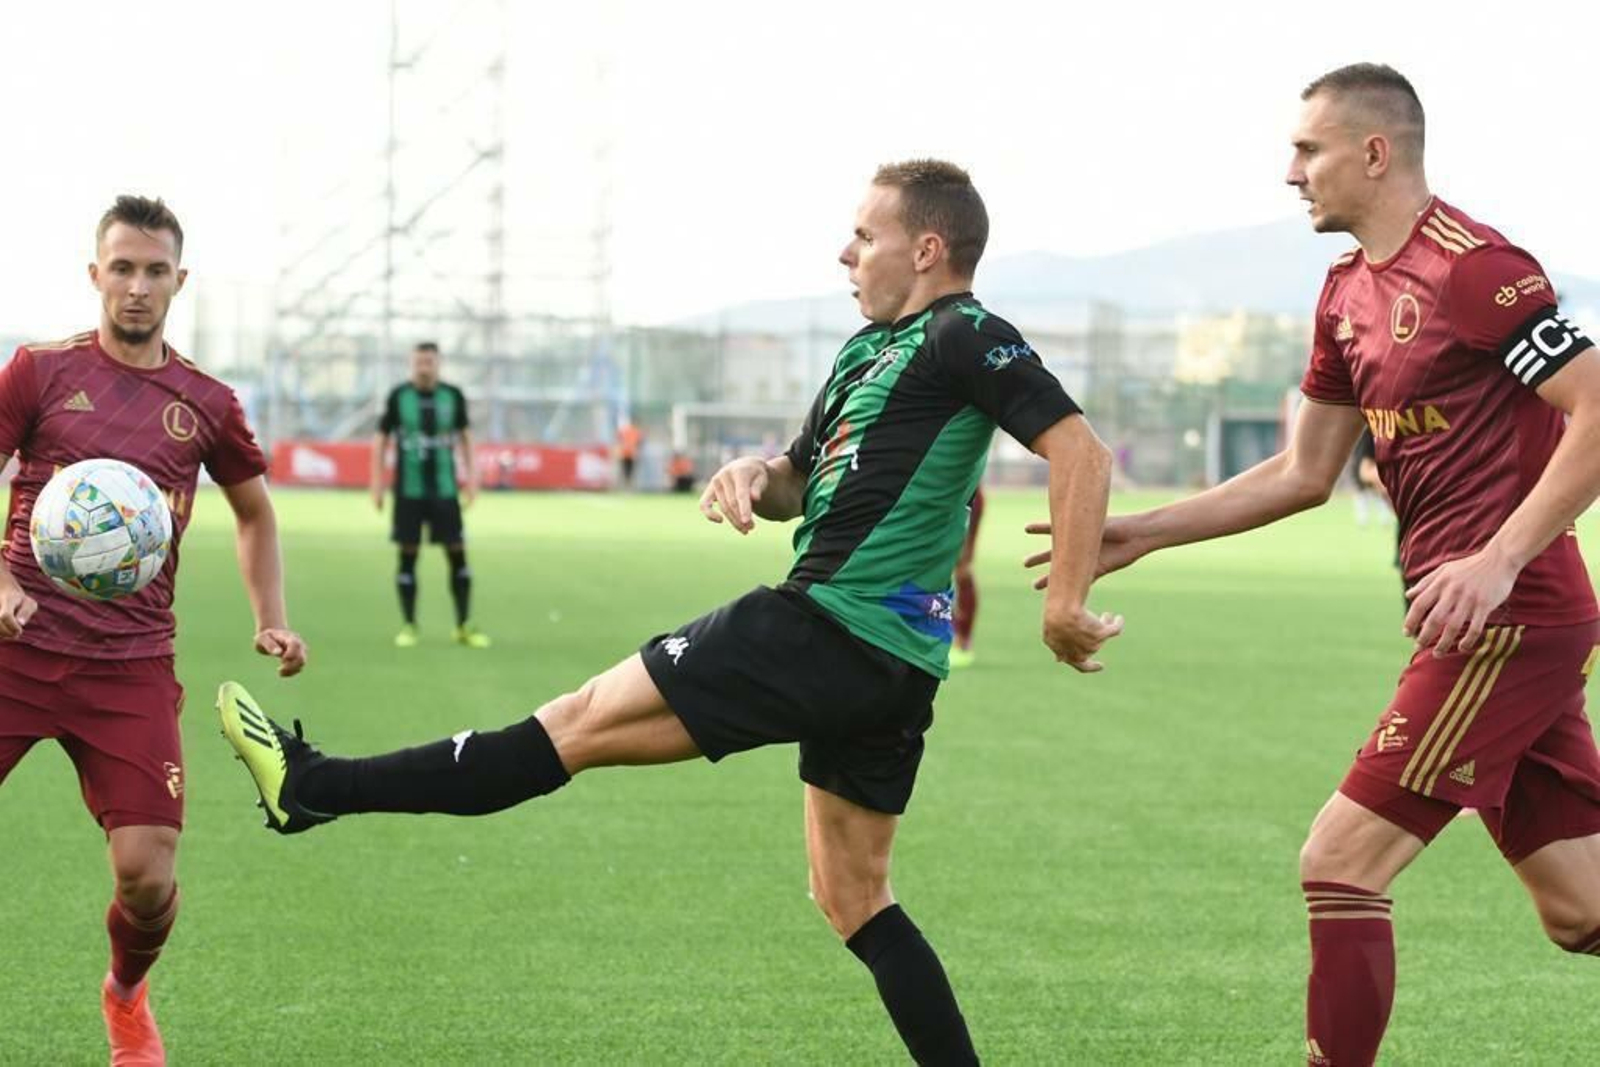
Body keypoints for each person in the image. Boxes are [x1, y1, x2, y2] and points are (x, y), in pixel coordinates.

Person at [218, 159, 1122, 1064]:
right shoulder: (864, 352)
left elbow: (1080, 453)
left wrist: (1066, 602)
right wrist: (753, 473)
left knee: (568, 725)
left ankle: (313, 786)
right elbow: (798, 482)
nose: (845, 251)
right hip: (889, 669)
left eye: (865, 235)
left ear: (927, 249)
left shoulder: (964, 332)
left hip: (823, 628)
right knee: (854, 897)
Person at [1029, 64, 1600, 1066]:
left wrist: (1499, 559)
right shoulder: (1344, 293)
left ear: (1373, 153)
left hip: (1507, 621)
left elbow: (1596, 407)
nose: (1290, 172)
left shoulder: (1474, 268)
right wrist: (1144, 531)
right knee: (1578, 907)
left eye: (1308, 149)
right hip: (1473, 620)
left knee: (1338, 863)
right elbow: (1303, 472)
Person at [0, 195, 308, 1065]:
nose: (137, 287)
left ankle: (126, 995)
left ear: (180, 280)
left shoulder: (205, 402)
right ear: (94, 274)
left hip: (127, 666)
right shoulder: (38, 371)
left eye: (154, 271)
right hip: (15, 650)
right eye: (122, 268)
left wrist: (272, 619)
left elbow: (254, 512)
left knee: (146, 875)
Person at [370, 342, 489, 649]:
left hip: (445, 490)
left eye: (429, 361)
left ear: (438, 363)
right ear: (412, 364)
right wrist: (377, 482)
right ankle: (409, 625)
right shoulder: (399, 396)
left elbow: (465, 437)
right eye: (419, 361)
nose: (424, 367)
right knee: (408, 555)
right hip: (408, 492)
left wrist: (472, 479)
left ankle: (463, 625)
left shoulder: (453, 396)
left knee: (457, 553)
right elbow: (382, 438)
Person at [948, 486, 984, 669]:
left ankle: (963, 640)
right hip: (935, 500)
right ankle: (950, 635)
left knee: (963, 568)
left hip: (965, 497)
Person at [616, 418, 643, 489]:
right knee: (629, 472)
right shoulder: (636, 431)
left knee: (626, 472)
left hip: (626, 454)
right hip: (630, 454)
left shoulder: (625, 430)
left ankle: (626, 486)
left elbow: (619, 439)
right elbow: (639, 442)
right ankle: (628, 486)